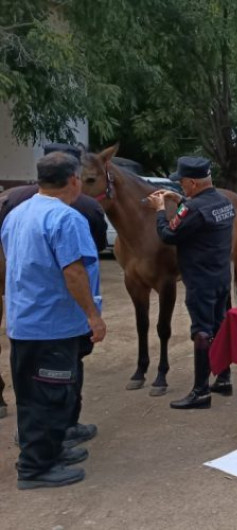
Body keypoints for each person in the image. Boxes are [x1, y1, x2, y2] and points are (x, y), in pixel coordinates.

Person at [3, 151, 106, 489]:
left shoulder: (17, 214)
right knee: (49, 395)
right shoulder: (66, 218)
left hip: (25, 321)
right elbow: (74, 273)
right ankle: (35, 469)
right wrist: (93, 315)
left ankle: (50, 450)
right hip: (52, 325)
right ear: (74, 180)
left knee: (36, 394)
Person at [144, 156, 235, 409]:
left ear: (193, 182)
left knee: (202, 332)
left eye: (182, 183)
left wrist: (160, 210)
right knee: (219, 326)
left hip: (200, 279)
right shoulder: (224, 202)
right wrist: (181, 199)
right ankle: (224, 377)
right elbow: (204, 217)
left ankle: (200, 391)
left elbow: (168, 235)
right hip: (220, 276)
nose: (181, 186)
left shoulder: (192, 209)